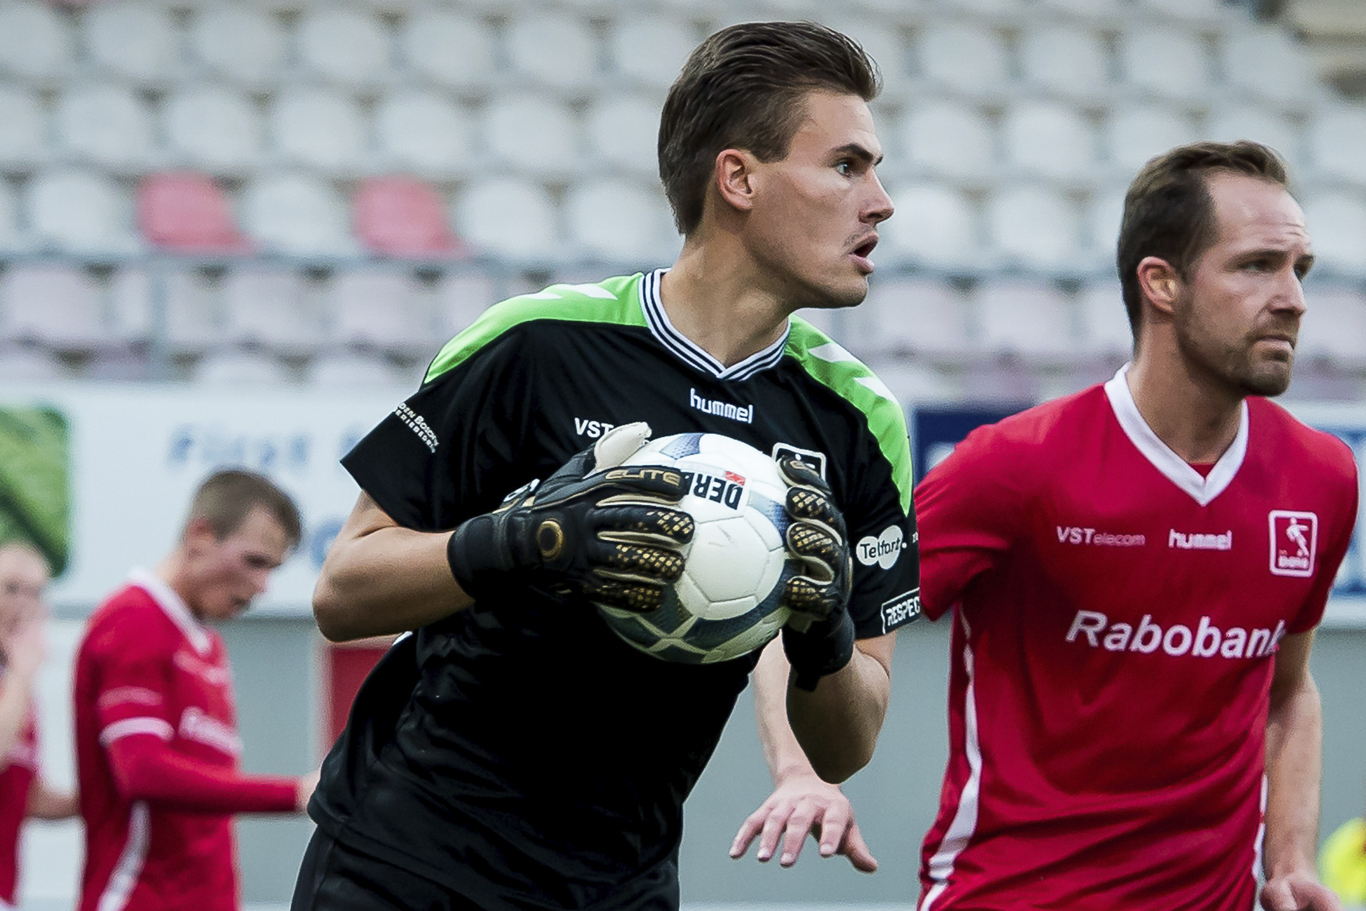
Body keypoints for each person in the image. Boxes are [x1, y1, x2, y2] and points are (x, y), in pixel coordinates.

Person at [292, 19, 919, 911]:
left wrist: (824, 634)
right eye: (848, 165)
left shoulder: (858, 419)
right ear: (737, 178)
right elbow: (342, 591)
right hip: (408, 861)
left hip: (619, 888)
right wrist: (523, 541)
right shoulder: (537, 343)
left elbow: (847, 743)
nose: (882, 200)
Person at [740, 140, 1361, 909]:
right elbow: (817, 619)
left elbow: (1288, 691)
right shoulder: (1014, 466)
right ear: (1160, 282)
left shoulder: (1323, 476)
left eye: (1300, 269)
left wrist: (1290, 858)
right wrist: (802, 768)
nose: (1294, 297)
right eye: (1257, 266)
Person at [74, 469, 320, 911]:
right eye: (255, 561)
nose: (263, 586)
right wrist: (295, 793)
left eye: (273, 569)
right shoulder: (133, 618)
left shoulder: (207, 644)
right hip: (138, 898)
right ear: (200, 535)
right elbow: (142, 770)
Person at [0, 541, 78, 907]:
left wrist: (104, 794)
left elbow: (27, 793)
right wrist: (21, 672)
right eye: (11, 588)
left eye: (36, 592)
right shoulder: (20, 677)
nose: (23, 602)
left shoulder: (20, 690)